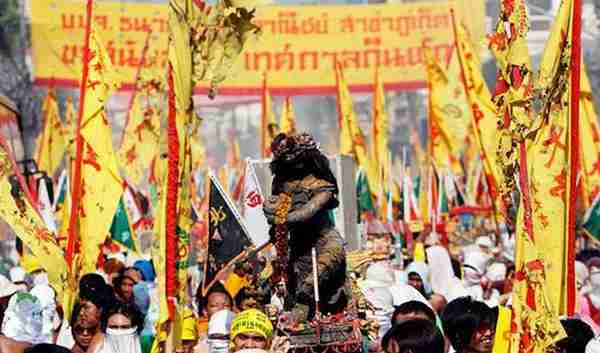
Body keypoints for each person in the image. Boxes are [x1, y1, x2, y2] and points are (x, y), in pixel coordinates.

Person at [264, 133, 347, 321]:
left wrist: (281, 219)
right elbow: (274, 206)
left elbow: (308, 211)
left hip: (324, 240)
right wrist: (273, 219)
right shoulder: (281, 183)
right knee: (297, 290)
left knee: (314, 280)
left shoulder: (322, 183)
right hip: (299, 246)